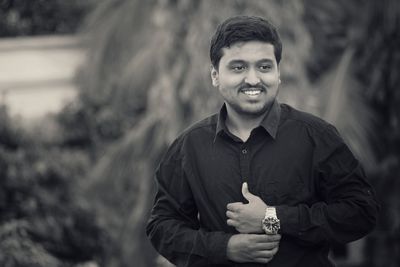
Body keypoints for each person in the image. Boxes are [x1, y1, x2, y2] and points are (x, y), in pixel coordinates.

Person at [146, 15, 379, 266]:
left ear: (278, 73)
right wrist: (224, 247)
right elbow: (162, 227)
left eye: (265, 67)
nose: (254, 79)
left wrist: (272, 218)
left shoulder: (316, 136)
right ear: (215, 75)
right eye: (238, 67)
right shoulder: (189, 146)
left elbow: (361, 212)